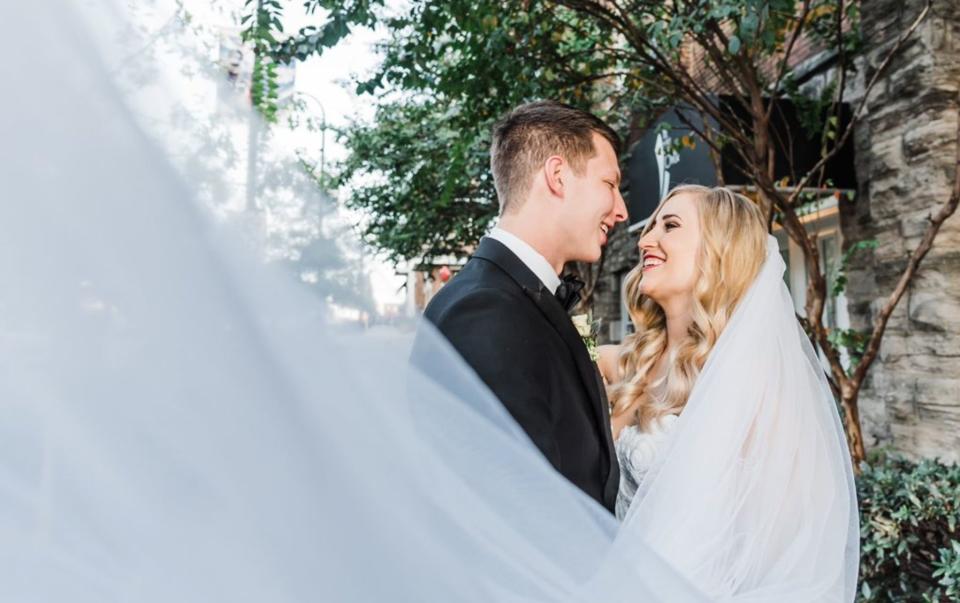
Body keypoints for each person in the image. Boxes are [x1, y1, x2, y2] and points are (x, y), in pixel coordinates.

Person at [418, 100, 628, 513]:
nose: (621, 210)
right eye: (610, 184)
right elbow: (515, 509)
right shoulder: (484, 312)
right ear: (557, 177)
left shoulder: (512, 297)